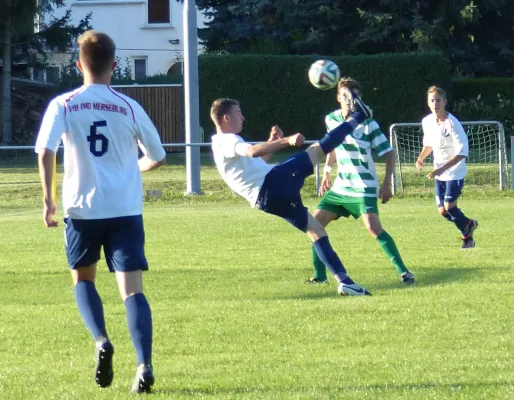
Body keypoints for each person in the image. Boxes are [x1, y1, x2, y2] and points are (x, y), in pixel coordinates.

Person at [35, 30, 166, 393]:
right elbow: (158, 155)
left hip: (82, 209)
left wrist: (49, 200)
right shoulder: (128, 106)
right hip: (124, 210)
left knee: (83, 280)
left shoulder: (64, 103)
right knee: (132, 291)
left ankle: (101, 340)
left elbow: (45, 151)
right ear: (115, 65)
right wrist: (131, 169)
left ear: (79, 65)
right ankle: (144, 364)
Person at [210, 95, 373, 296]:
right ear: (226, 118)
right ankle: (358, 116)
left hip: (266, 199)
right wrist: (286, 141)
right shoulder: (227, 139)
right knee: (317, 151)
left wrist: (272, 142)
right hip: (273, 184)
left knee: (316, 230)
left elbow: (257, 160)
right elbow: (252, 152)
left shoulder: (222, 143)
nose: (242, 117)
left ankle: (345, 282)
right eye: (238, 113)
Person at [307, 77, 414, 285]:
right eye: (345, 96)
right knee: (314, 224)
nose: (349, 100)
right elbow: (333, 146)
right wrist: (328, 171)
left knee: (373, 228)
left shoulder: (368, 124)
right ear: (338, 98)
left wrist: (386, 184)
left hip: (364, 186)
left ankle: (404, 271)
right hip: (341, 186)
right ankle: (320, 277)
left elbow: (389, 153)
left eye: (354, 96)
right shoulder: (331, 119)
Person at [416, 86, 478, 248]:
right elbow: (429, 143)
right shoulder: (427, 121)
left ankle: (468, 237)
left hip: (454, 172)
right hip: (440, 173)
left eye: (438, 100)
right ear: (428, 103)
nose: (435, 104)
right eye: (432, 100)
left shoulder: (452, 123)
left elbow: (462, 152)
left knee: (450, 206)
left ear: (445, 102)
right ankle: (468, 223)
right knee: (442, 211)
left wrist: (442, 168)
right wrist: (421, 158)